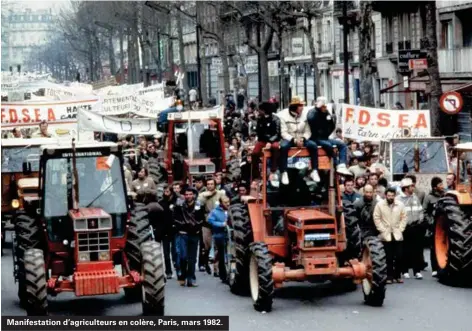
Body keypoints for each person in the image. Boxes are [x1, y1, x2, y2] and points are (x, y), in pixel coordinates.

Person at [278, 96, 320, 185]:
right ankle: (284, 172)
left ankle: (314, 170)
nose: (302, 107)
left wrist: (303, 138)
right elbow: (283, 132)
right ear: (295, 106)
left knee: (313, 145)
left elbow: (308, 131)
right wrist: (294, 140)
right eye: (300, 105)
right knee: (283, 147)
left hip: (302, 138)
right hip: (289, 138)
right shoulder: (283, 116)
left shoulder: (305, 115)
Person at [307, 96, 351, 177]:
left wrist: (329, 128)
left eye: (325, 106)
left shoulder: (326, 112)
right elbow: (310, 120)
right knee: (328, 146)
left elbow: (331, 125)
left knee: (342, 145)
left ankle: (342, 164)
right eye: (323, 106)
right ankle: (336, 164)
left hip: (325, 137)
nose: (325, 107)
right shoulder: (312, 112)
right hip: (315, 138)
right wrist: (317, 109)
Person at [373, 187, 407, 284]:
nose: (390, 197)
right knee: (388, 257)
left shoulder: (400, 205)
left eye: (392, 195)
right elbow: (376, 218)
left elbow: (404, 217)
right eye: (389, 195)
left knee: (399, 256)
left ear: (395, 196)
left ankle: (398, 276)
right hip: (386, 234)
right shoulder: (379, 205)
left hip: (397, 233)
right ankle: (389, 276)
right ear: (385, 195)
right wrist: (382, 230)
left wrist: (400, 229)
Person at [173, 187, 205, 287]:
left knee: (192, 258)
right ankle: (183, 276)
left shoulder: (199, 205)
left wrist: (196, 227)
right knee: (183, 257)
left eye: (190, 194)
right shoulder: (179, 205)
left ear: (194, 195)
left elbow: (201, 218)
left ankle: (191, 278)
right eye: (186, 194)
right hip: (183, 233)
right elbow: (175, 218)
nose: (188, 196)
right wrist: (182, 226)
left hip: (194, 234)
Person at [395, 178, 425, 280]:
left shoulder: (415, 197)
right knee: (405, 250)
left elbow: (420, 210)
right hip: (405, 228)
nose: (413, 187)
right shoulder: (398, 199)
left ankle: (417, 271)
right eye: (411, 186)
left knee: (416, 250)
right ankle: (405, 271)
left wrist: (420, 219)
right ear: (406, 188)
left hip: (416, 227)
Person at [198, 178, 226, 275]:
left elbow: (225, 203)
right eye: (208, 184)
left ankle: (216, 268)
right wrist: (206, 195)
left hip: (218, 222)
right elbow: (199, 203)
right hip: (207, 222)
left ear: (215, 185)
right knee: (207, 246)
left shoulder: (220, 194)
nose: (210, 186)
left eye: (212, 184)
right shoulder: (202, 194)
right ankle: (205, 262)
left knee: (218, 246)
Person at [252, 102, 281, 183]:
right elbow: (259, 132)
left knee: (275, 147)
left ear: (264, 110)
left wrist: (270, 141)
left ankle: (273, 170)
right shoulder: (260, 119)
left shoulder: (276, 119)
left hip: (273, 140)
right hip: (262, 141)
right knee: (254, 153)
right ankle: (256, 174)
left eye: (260, 110)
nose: (258, 111)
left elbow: (277, 133)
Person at [423, 177, 445, 277]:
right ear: (435, 187)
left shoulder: (445, 196)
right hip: (433, 226)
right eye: (440, 185)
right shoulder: (429, 197)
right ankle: (434, 268)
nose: (442, 186)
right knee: (433, 247)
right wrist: (430, 222)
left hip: (443, 225)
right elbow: (424, 211)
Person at [207, 196, 230, 283]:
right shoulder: (215, 211)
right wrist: (221, 224)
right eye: (225, 202)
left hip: (229, 236)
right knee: (221, 256)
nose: (227, 204)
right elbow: (211, 221)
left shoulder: (230, 210)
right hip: (219, 236)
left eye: (228, 201)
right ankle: (223, 275)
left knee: (228, 256)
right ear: (221, 203)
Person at [159, 184, 178, 279]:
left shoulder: (176, 202)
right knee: (166, 254)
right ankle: (168, 271)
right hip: (165, 231)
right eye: (164, 191)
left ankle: (177, 267)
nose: (166, 193)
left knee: (175, 251)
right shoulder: (161, 203)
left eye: (167, 191)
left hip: (175, 230)